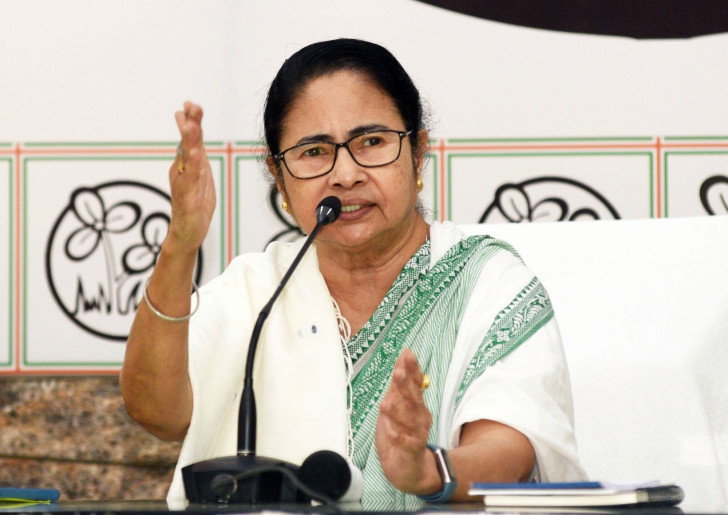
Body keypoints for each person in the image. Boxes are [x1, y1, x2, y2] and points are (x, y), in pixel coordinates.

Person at [120, 38, 585, 508]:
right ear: (279, 177)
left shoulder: (487, 282)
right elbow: (157, 412)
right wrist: (180, 244)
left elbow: (511, 448)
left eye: (372, 142)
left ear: (418, 152)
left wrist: (430, 470)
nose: (345, 174)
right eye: (314, 151)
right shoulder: (256, 292)